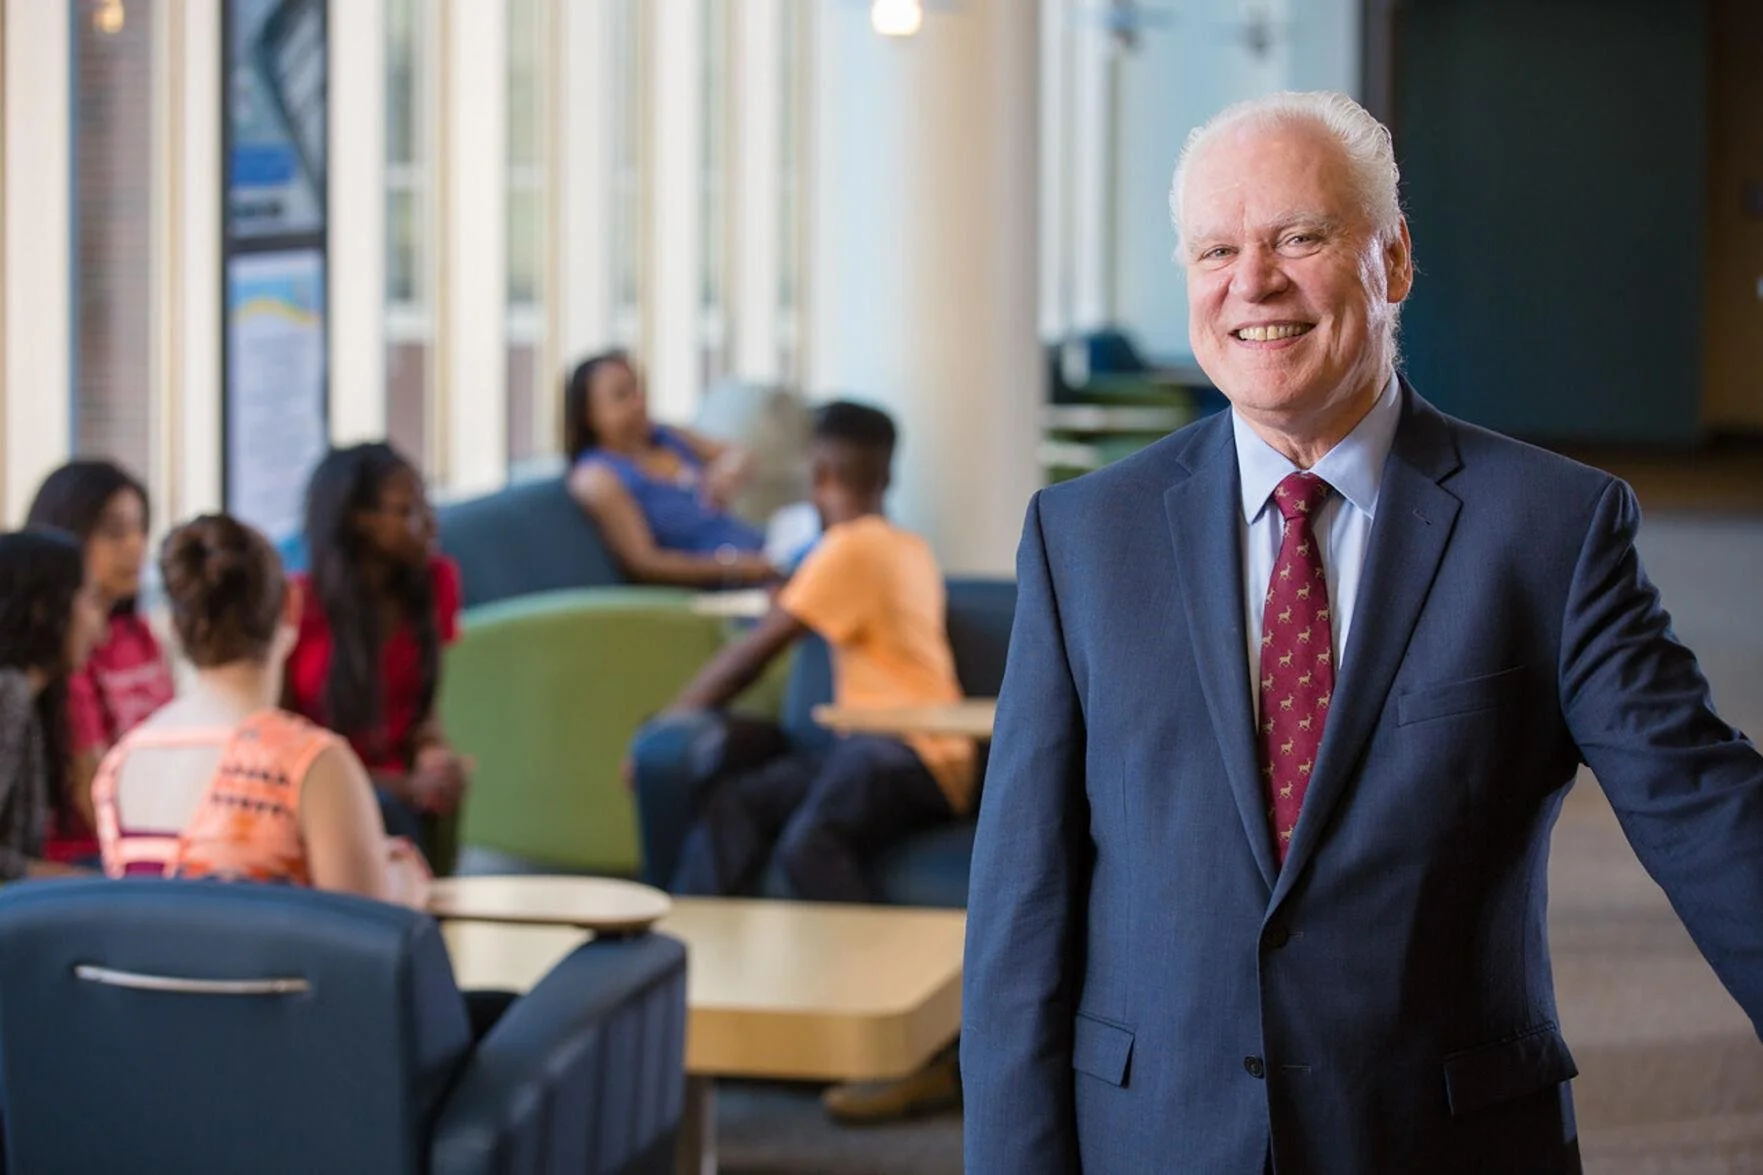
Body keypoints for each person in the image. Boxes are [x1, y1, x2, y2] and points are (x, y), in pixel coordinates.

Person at [961, 90, 1763, 1175]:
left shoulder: (1551, 527)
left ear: (1390, 261)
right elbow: (1020, 913)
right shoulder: (1081, 537)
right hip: (1152, 1136)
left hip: (1441, 1138)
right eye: (1214, 249)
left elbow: (1705, 813)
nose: (1253, 282)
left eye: (1300, 237)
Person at [651, 400, 973, 902]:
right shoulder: (908, 546)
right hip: (902, 752)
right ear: (886, 477)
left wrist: (662, 727)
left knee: (809, 848)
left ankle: (882, 976)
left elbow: (748, 659)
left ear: (819, 473)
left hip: (904, 751)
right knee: (740, 805)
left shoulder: (845, 551)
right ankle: (698, 943)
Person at [92, 514, 427, 906]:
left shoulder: (120, 766)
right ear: (292, 605)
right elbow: (365, 944)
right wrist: (404, 883)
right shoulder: (312, 764)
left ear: (170, 626)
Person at [282, 443, 470, 849]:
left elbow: (422, 712)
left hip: (403, 792)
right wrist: (402, 786)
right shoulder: (296, 606)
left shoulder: (437, 582)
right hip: (317, 790)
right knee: (384, 808)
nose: (431, 525)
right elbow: (281, 743)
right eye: (407, 511)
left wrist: (433, 754)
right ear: (359, 524)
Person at [24, 460, 176, 863]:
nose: (134, 546)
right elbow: (91, 789)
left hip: (151, 828)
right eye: (113, 531)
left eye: (140, 528)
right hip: (90, 854)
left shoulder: (138, 634)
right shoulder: (61, 660)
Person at [563, 351, 780, 588]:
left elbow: (742, 454)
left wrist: (726, 472)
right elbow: (646, 563)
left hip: (760, 552)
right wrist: (740, 567)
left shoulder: (665, 435)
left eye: (638, 389)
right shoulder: (597, 477)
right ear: (588, 413)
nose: (638, 403)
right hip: (725, 583)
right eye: (621, 396)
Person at [0, 530, 109, 881]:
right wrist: (63, 878)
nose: (100, 628)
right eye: (91, 601)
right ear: (43, 608)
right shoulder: (9, 693)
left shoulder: (30, 696)